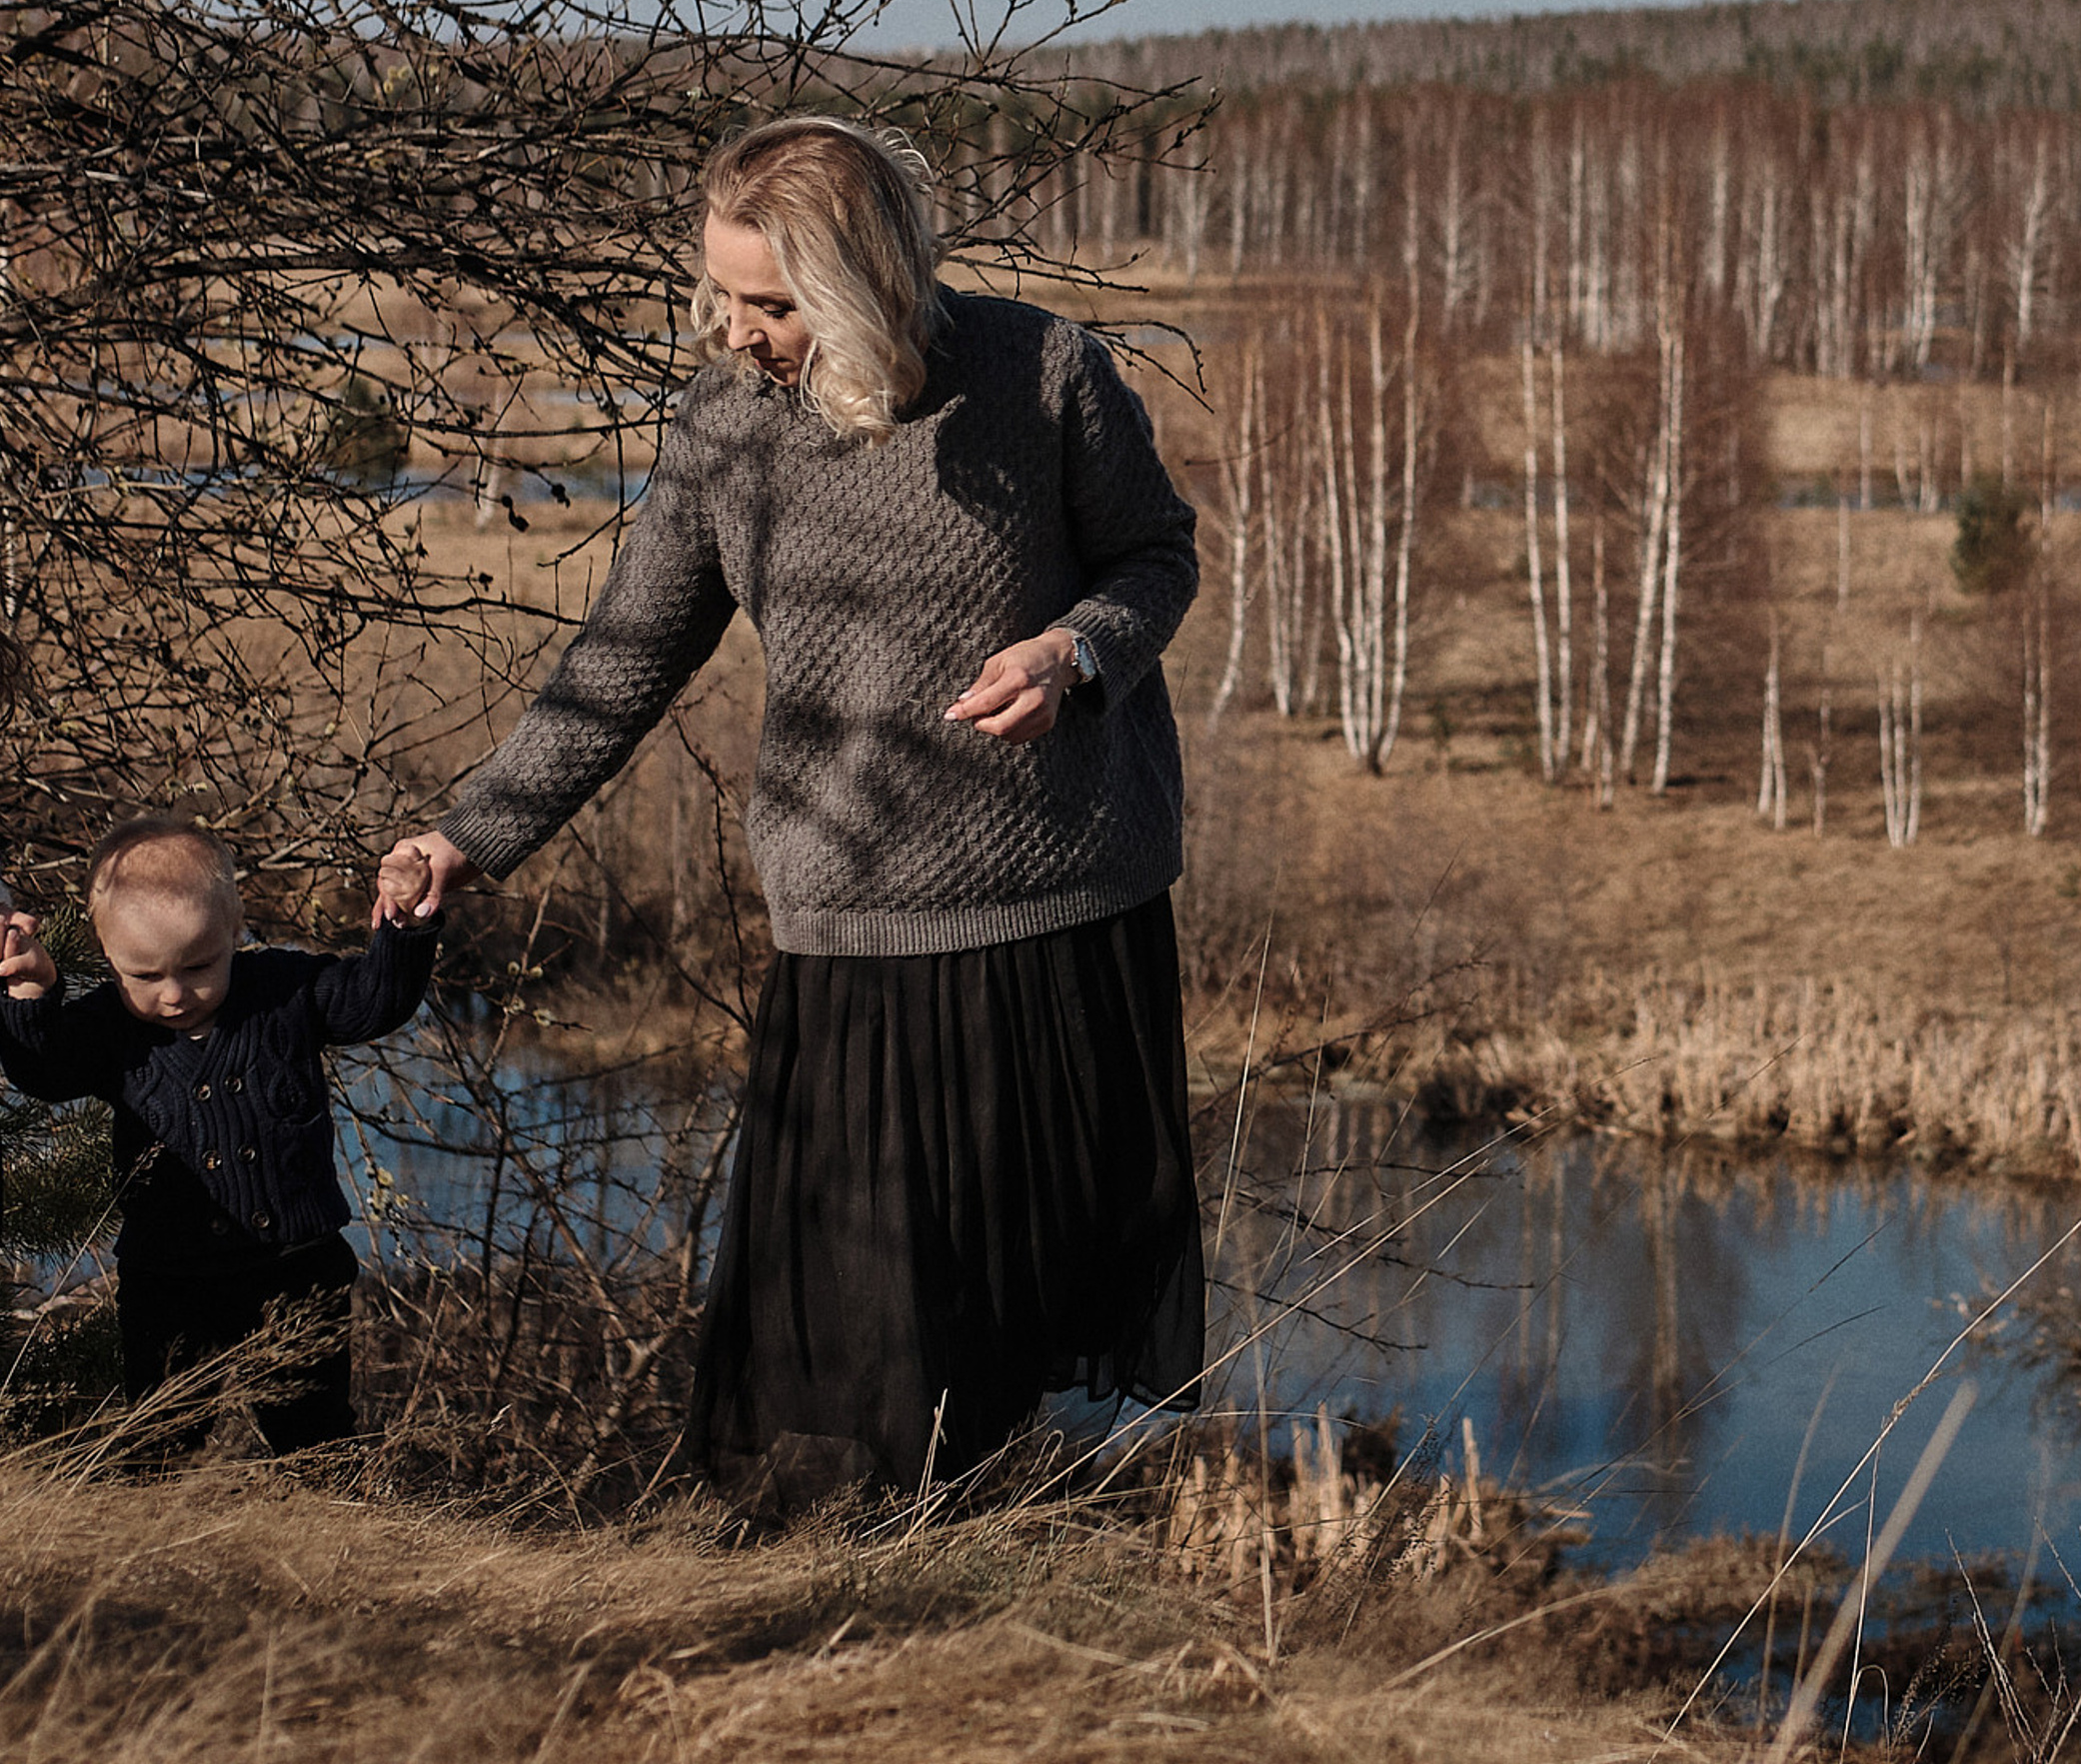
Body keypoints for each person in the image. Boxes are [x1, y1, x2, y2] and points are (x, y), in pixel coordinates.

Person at [377, 116, 1203, 1500]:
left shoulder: (1047, 373)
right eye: (722, 295)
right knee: (849, 1351)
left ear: (869, 279)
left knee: (1001, 1339)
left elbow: (1153, 557)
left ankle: (963, 1616)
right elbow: (630, 651)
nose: (740, 331)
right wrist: (477, 831)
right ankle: (843, 1615)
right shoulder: (727, 426)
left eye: (771, 303)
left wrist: (1078, 653)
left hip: (1059, 907)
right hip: (856, 922)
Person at [0, 817, 443, 1451]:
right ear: (106, 952)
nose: (175, 994)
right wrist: (29, 993)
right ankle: (149, 1539)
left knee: (317, 1438)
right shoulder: (106, 1028)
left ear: (236, 930)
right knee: (158, 1435)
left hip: (298, 1269)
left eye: (200, 966)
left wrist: (405, 927)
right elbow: (46, 1071)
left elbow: (375, 1002)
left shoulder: (285, 990)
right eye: (145, 976)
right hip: (168, 1280)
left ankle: (337, 1531)